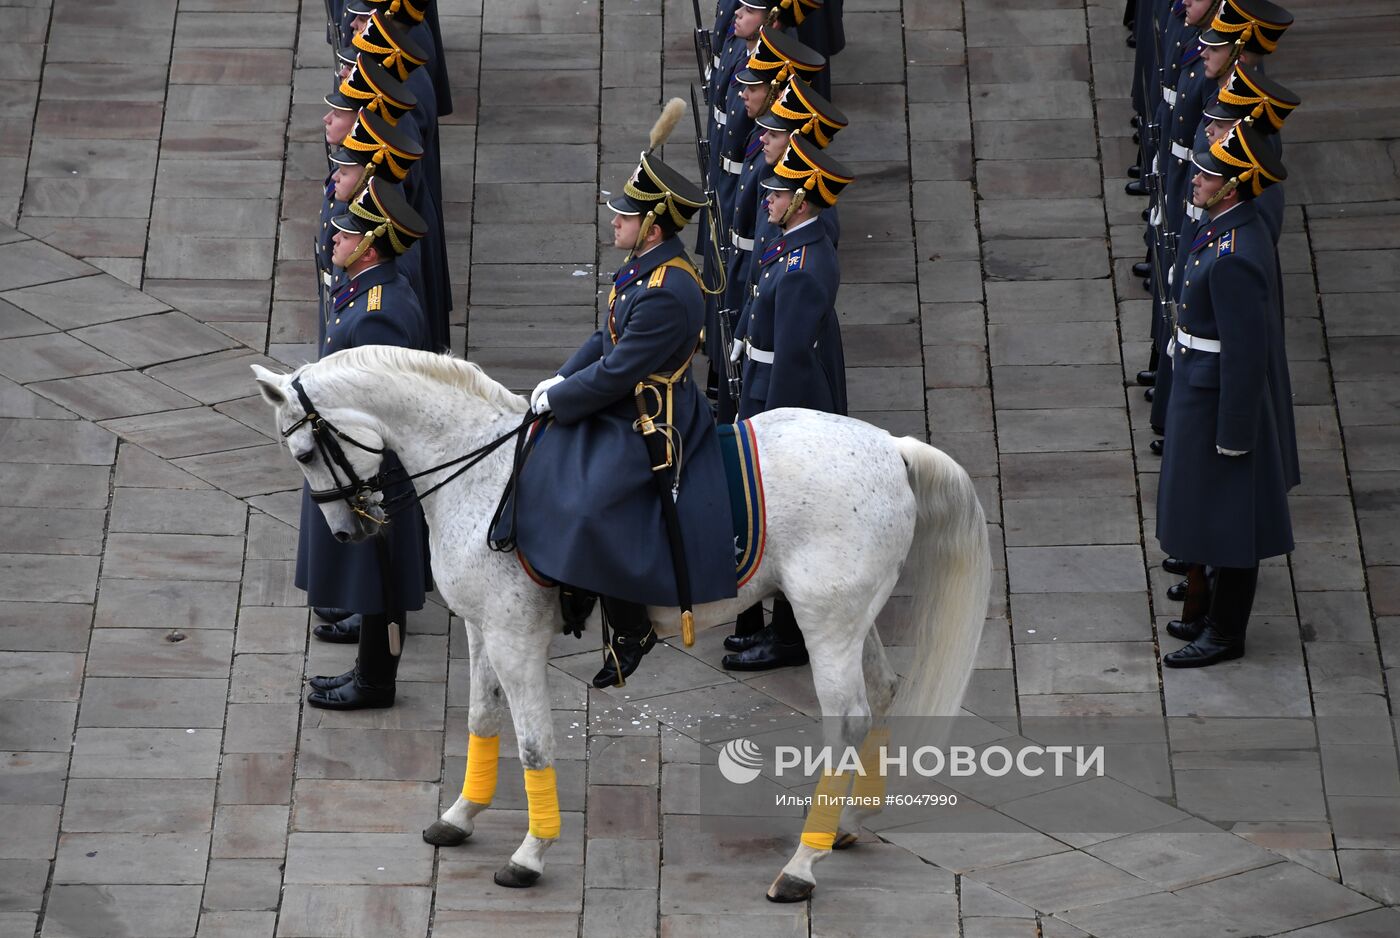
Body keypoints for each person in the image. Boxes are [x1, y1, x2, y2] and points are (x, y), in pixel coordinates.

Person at [496, 144, 737, 690]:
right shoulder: (641, 268)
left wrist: (562, 399)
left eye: (625, 217)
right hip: (623, 401)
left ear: (652, 227)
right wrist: (559, 378)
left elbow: (618, 373)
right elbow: (604, 339)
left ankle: (630, 626)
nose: (615, 222)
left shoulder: (668, 291)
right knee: (548, 456)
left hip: (655, 418)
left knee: (591, 502)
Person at [1156, 123, 1293, 669]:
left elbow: (1245, 354)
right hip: (1197, 387)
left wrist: (1235, 432)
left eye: (1209, 175)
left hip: (1218, 400)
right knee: (1204, 507)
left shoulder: (1235, 252)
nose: (1196, 179)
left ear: (1232, 187)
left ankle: (1224, 632)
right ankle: (1205, 606)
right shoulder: (1223, 228)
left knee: (1233, 520)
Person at [296, 177, 435, 708]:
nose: (335, 238)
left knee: (383, 572)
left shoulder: (382, 309)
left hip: (376, 464)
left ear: (369, 246)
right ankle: (365, 669)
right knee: (373, 572)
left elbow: (380, 402)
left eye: (345, 234)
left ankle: (376, 682)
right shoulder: (366, 288)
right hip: (361, 458)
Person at [723, 135, 853, 671]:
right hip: (761, 383)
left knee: (783, 518)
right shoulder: (793, 244)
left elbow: (794, 359)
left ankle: (789, 638)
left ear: (801, 201)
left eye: (778, 195)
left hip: (781, 398)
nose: (768, 200)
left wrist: (769, 433)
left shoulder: (802, 266)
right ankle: (760, 616)